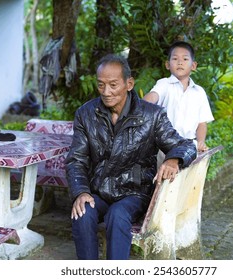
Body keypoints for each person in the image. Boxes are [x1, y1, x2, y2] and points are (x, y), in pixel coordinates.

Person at [65, 54, 197, 260]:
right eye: (101, 85)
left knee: (117, 215)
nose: (106, 92)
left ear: (129, 83)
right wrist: (81, 192)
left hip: (134, 192)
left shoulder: (152, 115)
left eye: (113, 85)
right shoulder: (86, 113)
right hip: (98, 190)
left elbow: (186, 145)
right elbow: (76, 159)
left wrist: (174, 159)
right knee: (82, 212)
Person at [143, 41, 214, 152]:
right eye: (175, 59)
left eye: (185, 59)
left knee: (190, 169)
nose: (180, 62)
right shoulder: (164, 84)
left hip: (189, 144)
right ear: (167, 64)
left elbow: (202, 122)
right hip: (163, 144)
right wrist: (142, 106)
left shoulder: (199, 92)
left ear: (193, 65)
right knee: (163, 169)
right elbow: (153, 96)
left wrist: (201, 142)